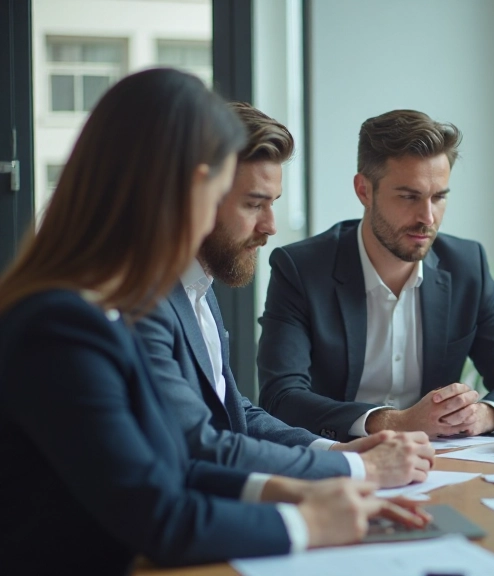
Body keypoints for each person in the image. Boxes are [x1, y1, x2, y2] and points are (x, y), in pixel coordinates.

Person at [0, 69, 427, 573]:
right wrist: (310, 522)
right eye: (224, 194)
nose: (213, 221)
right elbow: (157, 514)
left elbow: (173, 466)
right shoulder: (63, 324)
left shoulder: (103, 306)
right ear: (176, 190)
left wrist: (296, 488)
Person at [135, 102, 433, 488]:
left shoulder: (198, 286)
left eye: (272, 203)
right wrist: (362, 471)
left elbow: (235, 413)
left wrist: (333, 451)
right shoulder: (144, 301)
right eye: (254, 204)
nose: (271, 226)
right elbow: (201, 443)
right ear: (194, 197)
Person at [257, 109, 494, 440]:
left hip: (440, 465)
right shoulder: (301, 269)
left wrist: (483, 415)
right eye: (409, 197)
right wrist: (395, 422)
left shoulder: (466, 266)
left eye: (439, 197)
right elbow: (281, 396)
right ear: (364, 190)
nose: (428, 217)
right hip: (341, 464)